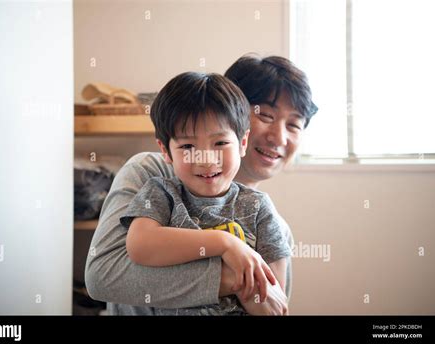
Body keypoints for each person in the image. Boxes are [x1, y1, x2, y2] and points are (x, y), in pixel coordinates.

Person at [85, 53, 318, 315]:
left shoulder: (271, 222)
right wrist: (232, 264)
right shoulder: (152, 176)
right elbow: (103, 276)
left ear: (240, 139)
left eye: (294, 124)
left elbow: (273, 305)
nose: (279, 137)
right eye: (264, 115)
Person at [119, 71, 292, 315]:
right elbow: (140, 245)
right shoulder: (161, 193)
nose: (207, 160)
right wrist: (225, 244)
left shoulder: (259, 208)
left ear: (243, 143)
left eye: (220, 143)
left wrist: (252, 290)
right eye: (188, 146)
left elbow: (273, 303)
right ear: (166, 151)